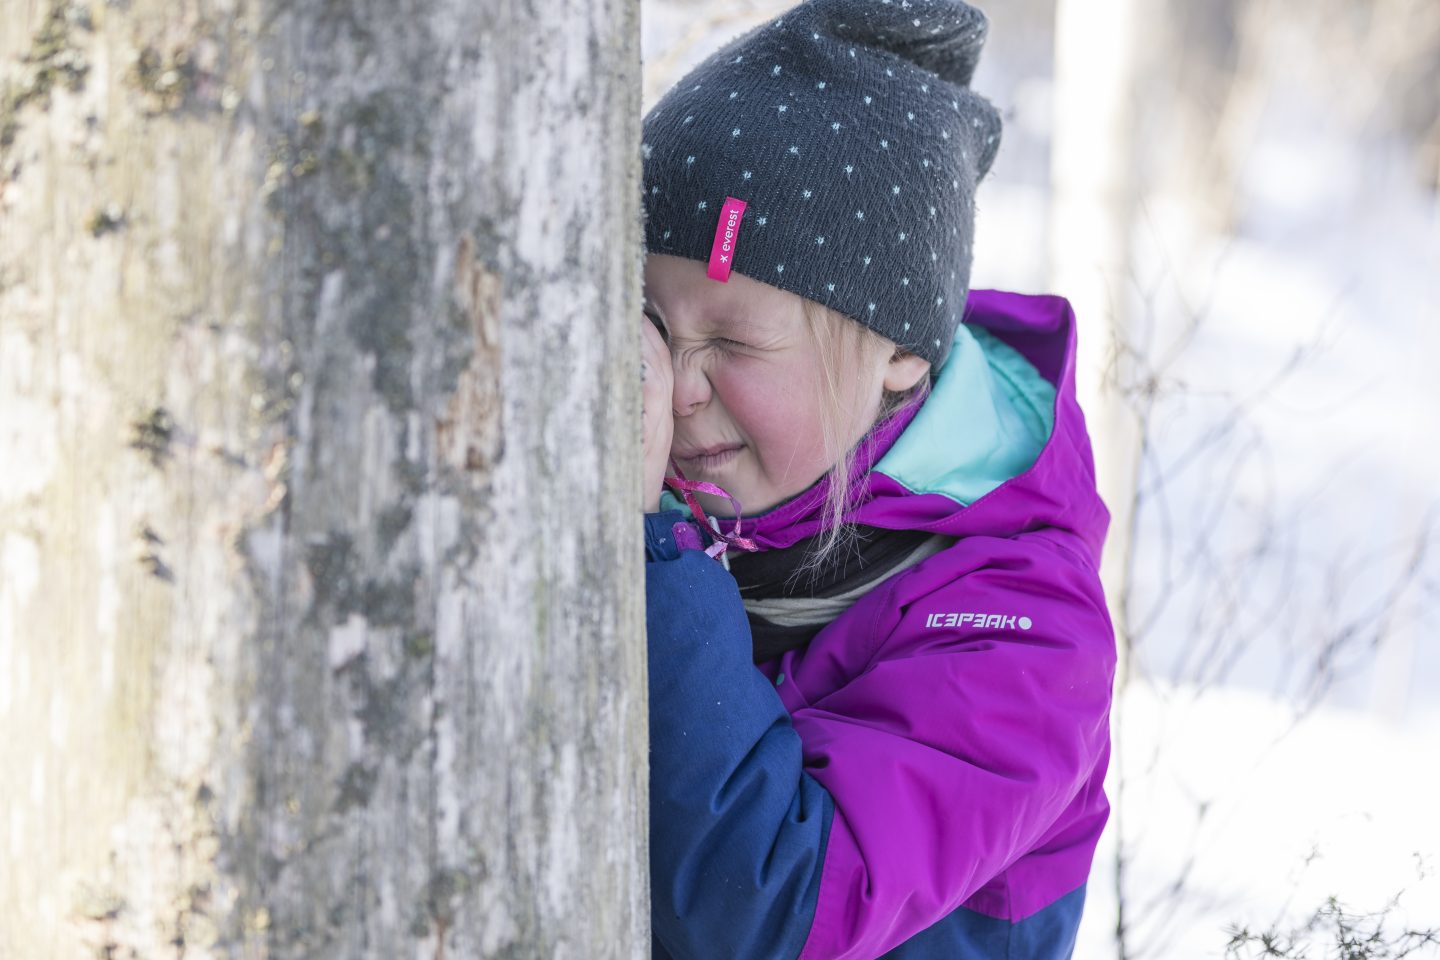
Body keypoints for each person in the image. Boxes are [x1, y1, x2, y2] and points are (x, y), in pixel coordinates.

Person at [639, 0, 1116, 957]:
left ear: (900, 351)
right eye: (652, 327)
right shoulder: (744, 499)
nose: (674, 390)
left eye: (732, 340)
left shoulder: (1022, 634)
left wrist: (646, 546)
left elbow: (770, 910)